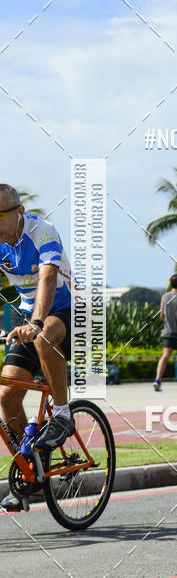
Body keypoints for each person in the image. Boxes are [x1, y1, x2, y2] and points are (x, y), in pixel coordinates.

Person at [0, 185, 74, 511]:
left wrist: (37, 321)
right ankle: (28, 470)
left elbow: (47, 278)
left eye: (0, 216)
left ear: (19, 212)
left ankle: (62, 414)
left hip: (66, 310)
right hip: (30, 318)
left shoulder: (43, 232)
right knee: (7, 395)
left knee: (44, 336)